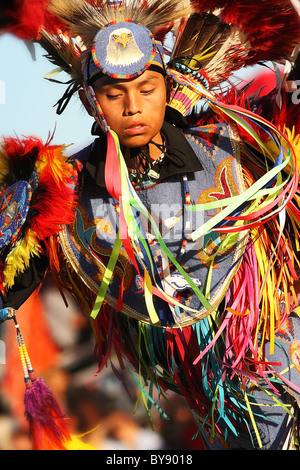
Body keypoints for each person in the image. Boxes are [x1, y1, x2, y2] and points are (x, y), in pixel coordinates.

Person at [0, 0, 300, 450]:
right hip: (213, 400)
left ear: (167, 88)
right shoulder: (64, 188)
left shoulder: (239, 147)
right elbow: (14, 282)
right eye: (114, 94)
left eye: (146, 88)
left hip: (278, 355)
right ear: (91, 99)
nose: (133, 107)